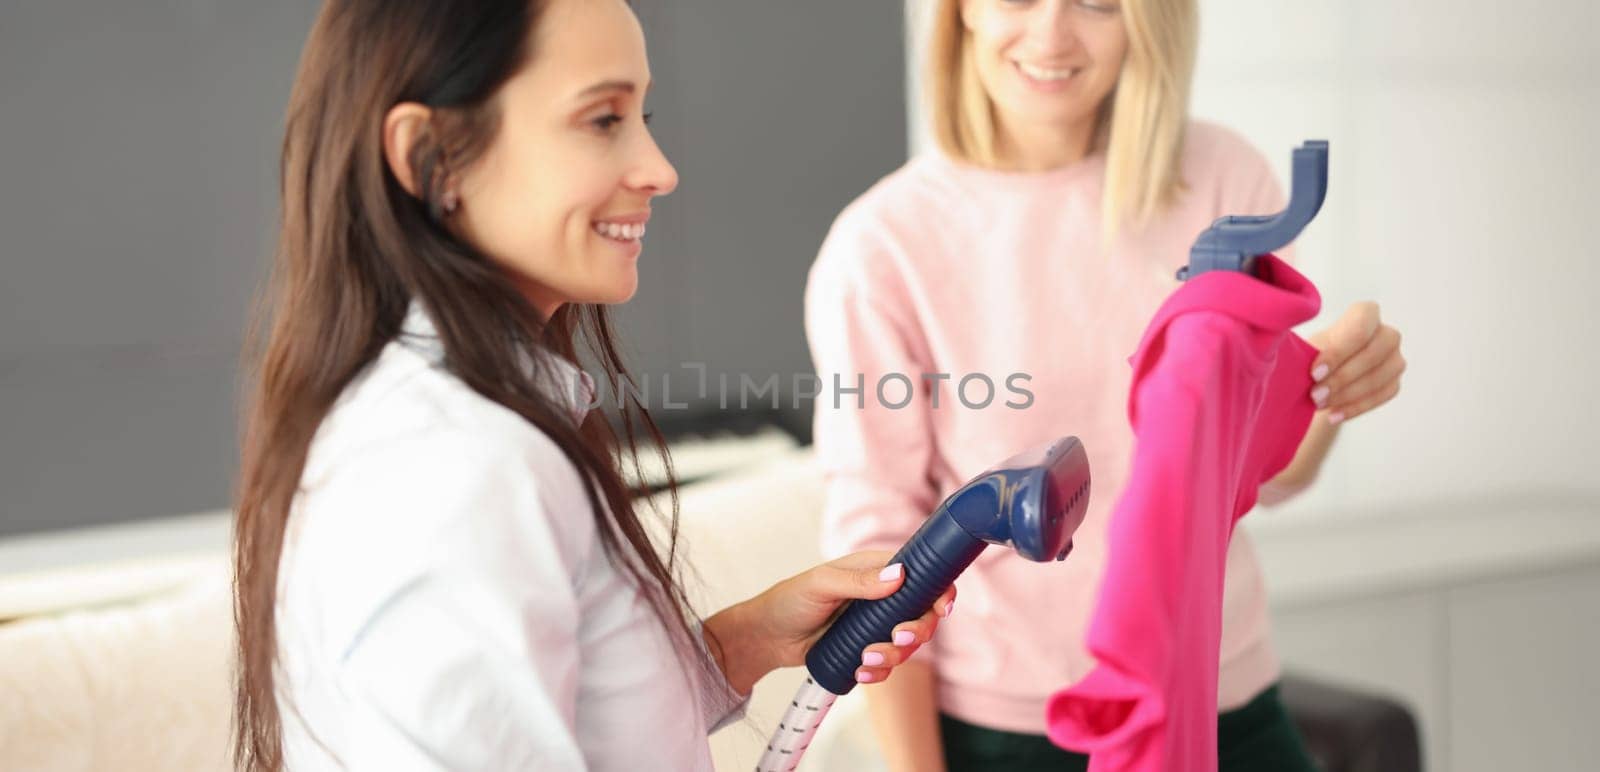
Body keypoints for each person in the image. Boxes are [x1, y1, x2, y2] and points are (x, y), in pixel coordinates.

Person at [230, 1, 954, 769]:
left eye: (642, 114)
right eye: (603, 119)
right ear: (430, 154)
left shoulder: (472, 425)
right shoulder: (460, 466)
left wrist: (743, 641)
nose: (659, 170)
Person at [804, 1, 1406, 770]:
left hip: (1226, 704)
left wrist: (1328, 392)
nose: (1052, 34)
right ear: (961, 14)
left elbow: (1264, 477)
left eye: (1097, 1)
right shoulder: (881, 248)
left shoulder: (1224, 179)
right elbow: (878, 552)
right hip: (1008, 736)